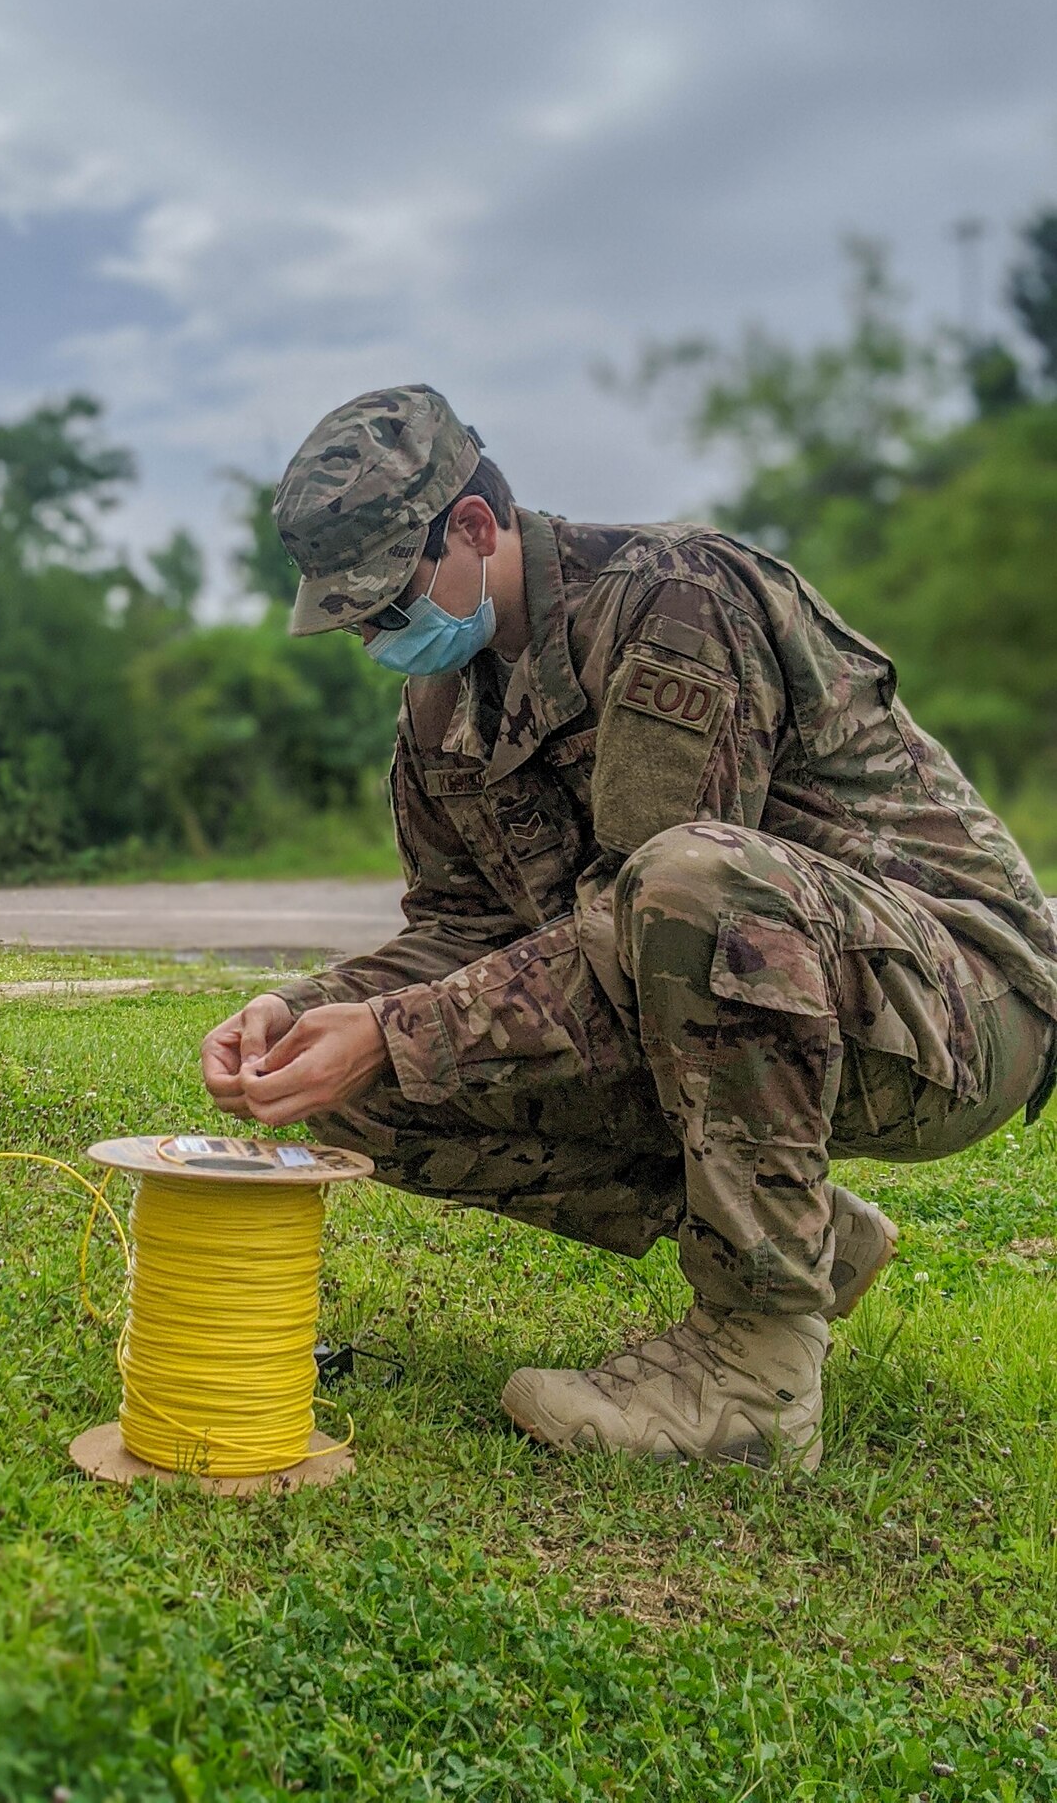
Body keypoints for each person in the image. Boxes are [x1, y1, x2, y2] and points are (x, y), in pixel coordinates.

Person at [200, 384, 1057, 1471]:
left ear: (474, 526)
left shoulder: (669, 601)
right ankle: (803, 1233)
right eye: (354, 614)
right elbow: (462, 929)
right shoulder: (439, 709)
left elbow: (660, 914)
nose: (376, 635)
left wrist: (398, 1025)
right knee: (353, 1078)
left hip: (960, 1007)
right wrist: (309, 1010)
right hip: (742, 997)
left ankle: (756, 1374)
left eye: (387, 598)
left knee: (688, 881)